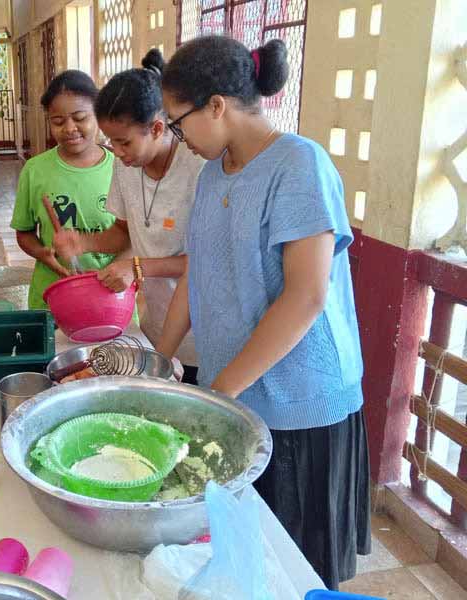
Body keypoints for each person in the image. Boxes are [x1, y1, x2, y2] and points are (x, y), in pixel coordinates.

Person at [156, 36, 370, 589]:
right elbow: (197, 275)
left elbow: (306, 296)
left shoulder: (299, 164)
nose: (178, 141)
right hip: (242, 395)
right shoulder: (212, 175)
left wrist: (222, 389)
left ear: (217, 105)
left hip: (300, 404)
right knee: (249, 557)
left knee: (297, 571)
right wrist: (159, 361)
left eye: (178, 125)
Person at [52, 49, 204, 384]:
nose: (116, 153)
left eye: (124, 142)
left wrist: (136, 268)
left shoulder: (198, 168)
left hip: (202, 333)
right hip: (155, 325)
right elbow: (124, 233)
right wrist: (82, 242)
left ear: (157, 127)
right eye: (111, 142)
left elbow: (206, 263)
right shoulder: (126, 166)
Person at [11, 70, 116, 309]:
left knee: (113, 348)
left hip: (110, 296)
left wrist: (119, 269)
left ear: (98, 115)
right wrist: (43, 253)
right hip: (53, 297)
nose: (69, 128)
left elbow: (133, 235)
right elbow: (24, 232)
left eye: (80, 118)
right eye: (58, 121)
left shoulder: (121, 168)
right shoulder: (35, 169)